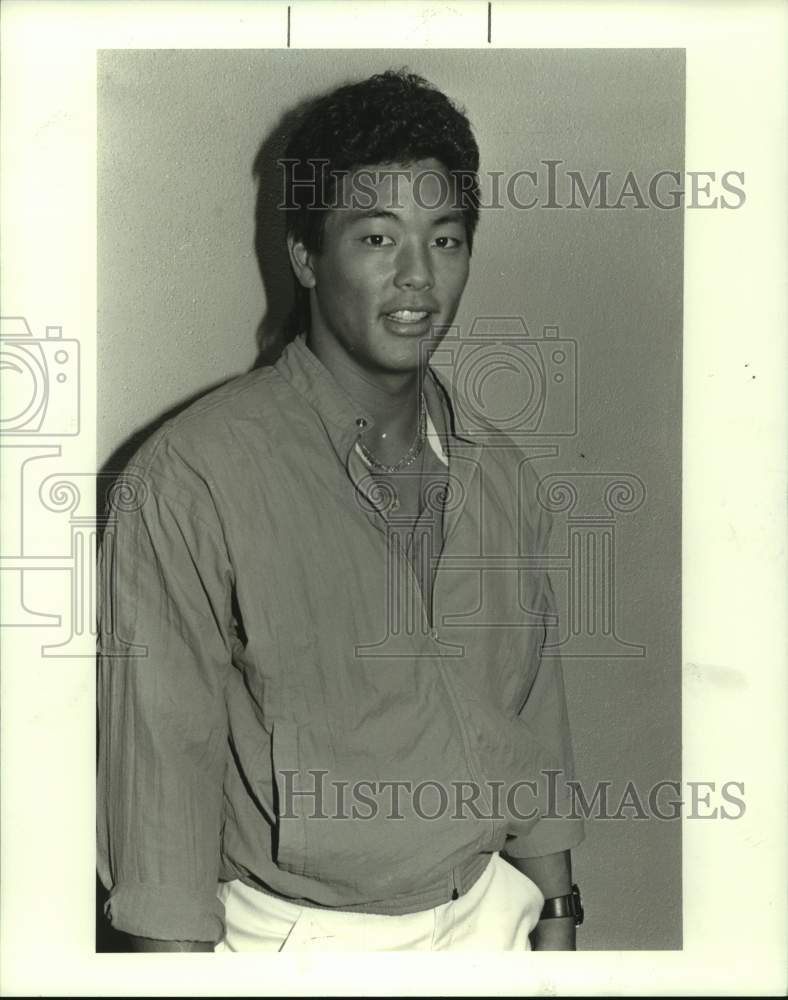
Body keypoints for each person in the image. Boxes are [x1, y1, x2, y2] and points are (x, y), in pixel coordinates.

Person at [97, 69, 585, 953]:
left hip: (490, 920)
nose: (417, 278)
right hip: (296, 943)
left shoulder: (501, 473)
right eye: (375, 237)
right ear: (306, 257)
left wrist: (555, 910)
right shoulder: (193, 478)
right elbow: (161, 785)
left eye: (445, 239)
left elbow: (532, 712)